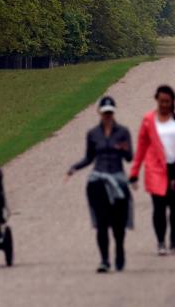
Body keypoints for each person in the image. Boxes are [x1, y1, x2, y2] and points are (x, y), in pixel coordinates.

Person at [67, 96, 133, 273]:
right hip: (98, 180)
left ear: (114, 112)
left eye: (110, 113)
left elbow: (129, 157)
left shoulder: (123, 132)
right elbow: (89, 158)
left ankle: (119, 249)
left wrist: (123, 149)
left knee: (118, 224)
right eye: (105, 113)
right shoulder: (93, 134)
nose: (108, 116)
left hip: (117, 178)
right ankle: (104, 259)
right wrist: (74, 168)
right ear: (100, 113)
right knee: (102, 222)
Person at [130, 86, 175, 255]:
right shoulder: (149, 120)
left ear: (172, 101)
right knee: (159, 207)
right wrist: (134, 172)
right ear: (157, 100)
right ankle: (161, 241)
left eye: (167, 102)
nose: (164, 105)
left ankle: (174, 239)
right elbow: (141, 147)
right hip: (156, 169)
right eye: (161, 101)